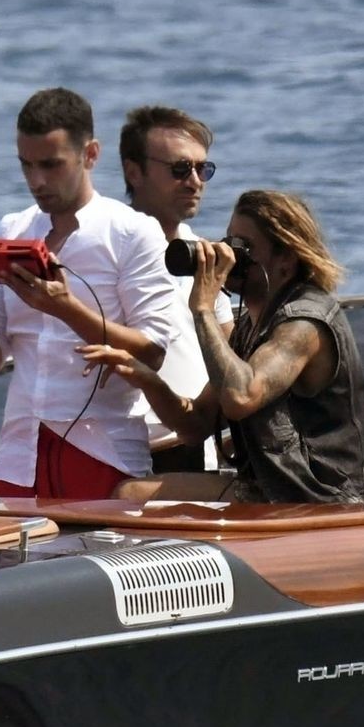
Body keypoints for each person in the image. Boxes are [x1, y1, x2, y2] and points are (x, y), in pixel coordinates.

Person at [0, 88, 182, 499]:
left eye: (51, 165)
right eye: (26, 165)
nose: (36, 181)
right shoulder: (12, 230)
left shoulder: (132, 233)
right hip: (19, 454)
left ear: (90, 155)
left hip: (103, 450)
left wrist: (66, 309)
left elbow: (152, 352)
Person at [80, 190, 364, 504]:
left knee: (132, 495)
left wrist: (203, 308)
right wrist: (145, 378)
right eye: (228, 241)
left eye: (244, 247)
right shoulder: (250, 327)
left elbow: (242, 397)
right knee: (130, 492)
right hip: (268, 489)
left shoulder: (305, 322)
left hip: (319, 499)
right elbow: (196, 425)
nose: (229, 256)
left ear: (286, 259)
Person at [117, 105, 234, 471]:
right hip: (126, 450)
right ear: (133, 172)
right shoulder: (107, 248)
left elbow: (229, 351)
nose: (195, 181)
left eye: (203, 169)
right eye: (180, 169)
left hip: (198, 449)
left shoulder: (202, 254)